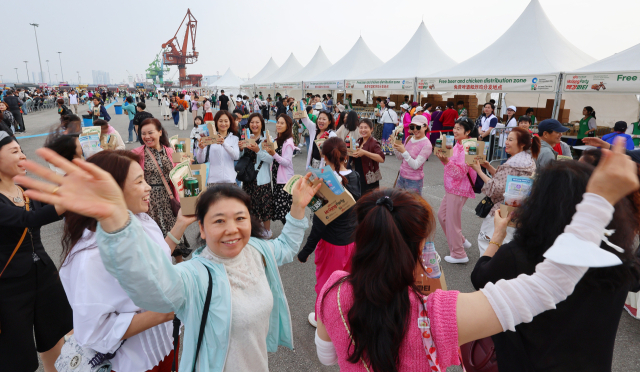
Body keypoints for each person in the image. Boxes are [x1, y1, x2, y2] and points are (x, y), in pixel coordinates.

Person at [313, 143, 639, 371]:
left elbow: (327, 355)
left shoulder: (333, 291)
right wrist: (598, 201)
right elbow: (550, 286)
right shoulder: (437, 313)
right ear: (422, 242)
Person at [16, 147, 327, 372]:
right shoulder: (195, 275)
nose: (232, 229)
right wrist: (115, 224)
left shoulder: (256, 251)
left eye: (240, 218)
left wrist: (298, 209)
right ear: (201, 229)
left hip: (190, 352)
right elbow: (154, 284)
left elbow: (284, 247)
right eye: (218, 221)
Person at [470, 157, 640, 372]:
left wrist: (497, 235)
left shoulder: (518, 254)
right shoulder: (617, 258)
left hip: (525, 363)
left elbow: (480, 278)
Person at [59, 150, 196, 372]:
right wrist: (166, 310)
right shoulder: (90, 257)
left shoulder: (139, 219)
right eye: (139, 181)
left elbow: (153, 263)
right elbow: (94, 331)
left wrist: (180, 225)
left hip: (167, 340)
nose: (148, 187)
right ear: (111, 192)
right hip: (135, 361)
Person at [0, 131, 72, 372]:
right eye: (14, 151)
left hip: (44, 277)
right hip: (9, 289)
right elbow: (28, 218)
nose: (22, 155)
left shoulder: (24, 188)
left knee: (54, 338)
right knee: (17, 355)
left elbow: (55, 201)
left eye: (21, 149)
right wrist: (72, 199)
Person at [298, 137, 361, 327]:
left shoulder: (322, 184)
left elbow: (320, 223)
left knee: (326, 284)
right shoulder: (356, 177)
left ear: (324, 157)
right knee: (349, 283)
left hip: (332, 244)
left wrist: (305, 251)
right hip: (352, 242)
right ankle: (346, 317)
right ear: (345, 155)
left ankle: (323, 321)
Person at [471, 127, 539, 255]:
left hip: (500, 210)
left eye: (511, 139)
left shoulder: (511, 164)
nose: (506, 142)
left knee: (487, 241)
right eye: (507, 139)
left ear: (522, 144)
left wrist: (479, 170)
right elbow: (507, 181)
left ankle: (487, 270)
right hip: (518, 209)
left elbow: (496, 189)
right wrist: (489, 167)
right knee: (507, 244)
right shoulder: (527, 161)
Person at [132, 118, 190, 261]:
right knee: (154, 234)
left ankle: (180, 265)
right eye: (143, 133)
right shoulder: (137, 153)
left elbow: (181, 173)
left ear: (159, 132)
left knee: (174, 230)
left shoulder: (171, 151)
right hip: (149, 200)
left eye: (150, 132)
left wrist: (186, 164)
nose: (146, 137)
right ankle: (162, 266)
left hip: (169, 197)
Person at [436, 117, 478, 263]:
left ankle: (459, 254)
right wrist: (445, 160)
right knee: (442, 216)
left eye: (458, 128)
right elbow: (452, 166)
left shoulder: (469, 146)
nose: (454, 130)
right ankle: (460, 241)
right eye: (454, 127)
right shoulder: (459, 144)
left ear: (467, 132)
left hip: (459, 188)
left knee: (452, 221)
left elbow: (460, 173)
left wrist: (446, 161)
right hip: (452, 188)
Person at [239, 113, 274, 237]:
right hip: (248, 179)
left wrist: (258, 151)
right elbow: (240, 159)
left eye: (257, 122)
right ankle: (254, 231)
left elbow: (271, 159)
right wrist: (241, 150)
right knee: (250, 207)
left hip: (262, 178)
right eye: (252, 122)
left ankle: (267, 231)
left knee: (265, 207)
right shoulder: (246, 137)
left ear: (262, 124)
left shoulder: (267, 139)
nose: (254, 125)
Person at [265, 114, 295, 225]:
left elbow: (287, 162)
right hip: (278, 178)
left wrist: (273, 154)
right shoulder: (279, 139)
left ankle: (290, 235)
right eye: (278, 122)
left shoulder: (288, 142)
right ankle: (288, 234)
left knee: (285, 211)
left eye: (282, 123)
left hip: (285, 181)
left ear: (288, 125)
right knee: (281, 210)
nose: (278, 125)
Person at [195, 110, 240, 185]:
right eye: (220, 121)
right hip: (213, 181)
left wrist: (224, 143)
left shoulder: (234, 138)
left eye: (226, 121)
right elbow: (200, 160)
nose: (223, 124)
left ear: (230, 122)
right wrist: (200, 149)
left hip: (230, 180)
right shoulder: (209, 138)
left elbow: (236, 156)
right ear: (216, 122)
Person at [392, 115, 433, 196]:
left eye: (418, 127)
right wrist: (395, 146)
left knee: (411, 207)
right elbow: (400, 157)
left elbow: (416, 165)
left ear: (425, 127)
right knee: (397, 203)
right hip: (401, 177)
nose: (414, 130)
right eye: (412, 127)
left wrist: (404, 151)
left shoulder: (427, 145)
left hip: (414, 181)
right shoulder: (409, 138)